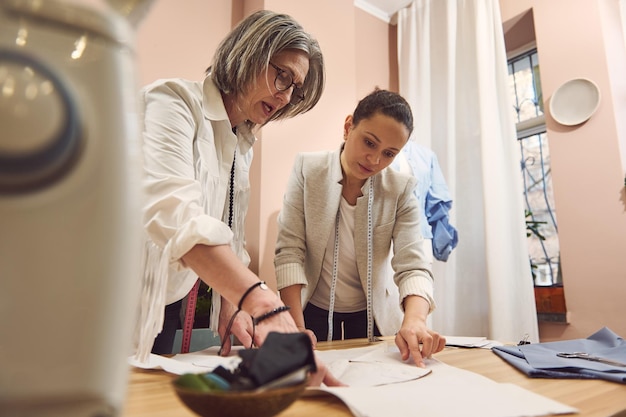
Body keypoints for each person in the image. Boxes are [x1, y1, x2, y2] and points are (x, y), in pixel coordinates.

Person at [134, 9, 340, 386]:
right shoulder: (173, 103)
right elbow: (175, 216)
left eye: (296, 88)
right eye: (283, 75)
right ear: (249, 52)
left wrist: (231, 303)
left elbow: (228, 230)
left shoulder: (242, 145)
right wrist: (263, 305)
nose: (286, 95)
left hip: (161, 309)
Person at [274, 89, 446, 368]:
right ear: (348, 126)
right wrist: (293, 325)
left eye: (389, 153)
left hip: (373, 316)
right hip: (310, 311)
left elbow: (413, 264)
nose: (375, 160)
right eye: (369, 142)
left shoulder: (400, 189)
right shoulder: (307, 168)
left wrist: (415, 320)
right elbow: (289, 251)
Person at [390, 140, 458, 265]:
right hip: (380, 238)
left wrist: (442, 244)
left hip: (419, 237)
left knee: (418, 282)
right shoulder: (374, 151)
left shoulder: (426, 155)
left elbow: (437, 205)